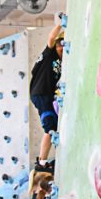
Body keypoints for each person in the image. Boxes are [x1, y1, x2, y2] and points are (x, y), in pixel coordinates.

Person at [30, 15, 65, 170]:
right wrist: (60, 24)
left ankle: (45, 161)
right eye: (61, 45)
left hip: (45, 94)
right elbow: (51, 38)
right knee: (50, 127)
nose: (63, 49)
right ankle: (42, 163)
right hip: (41, 93)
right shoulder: (49, 54)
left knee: (54, 125)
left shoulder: (61, 62)